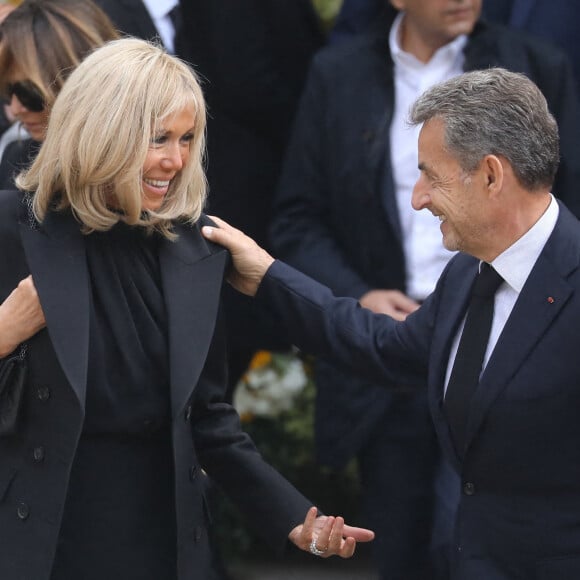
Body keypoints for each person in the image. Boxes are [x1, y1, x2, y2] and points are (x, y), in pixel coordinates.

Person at [0, 37, 373, 580]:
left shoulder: (190, 246)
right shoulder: (13, 228)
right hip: (38, 539)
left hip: (164, 542)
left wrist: (296, 519)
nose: (175, 160)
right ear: (104, 131)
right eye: (158, 139)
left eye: (187, 138)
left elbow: (209, 420)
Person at [204, 67, 580, 579]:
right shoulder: (469, 271)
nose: (418, 198)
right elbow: (384, 348)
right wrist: (269, 277)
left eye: (433, 175)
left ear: (492, 175)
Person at [0, 0, 119, 189]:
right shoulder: (17, 160)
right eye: (6, 91)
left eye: (29, 93)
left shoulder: (150, 160)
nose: (15, 110)